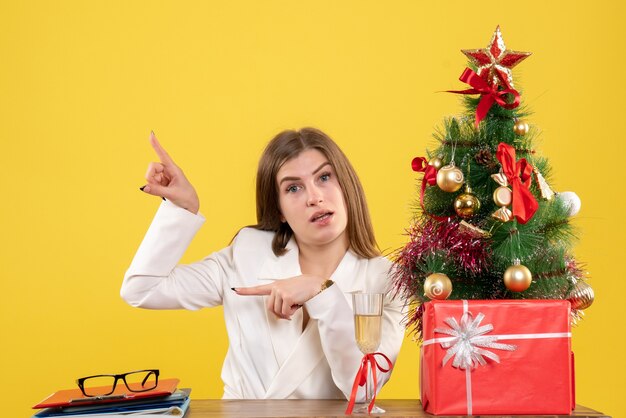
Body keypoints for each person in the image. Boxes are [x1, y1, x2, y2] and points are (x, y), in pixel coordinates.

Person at [121, 127, 405, 400]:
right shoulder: (248, 252)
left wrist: (323, 291)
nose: (314, 197)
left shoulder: (388, 280)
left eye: (324, 177)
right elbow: (141, 289)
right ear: (278, 210)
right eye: (293, 188)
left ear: (346, 185)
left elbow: (364, 390)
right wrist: (181, 209)